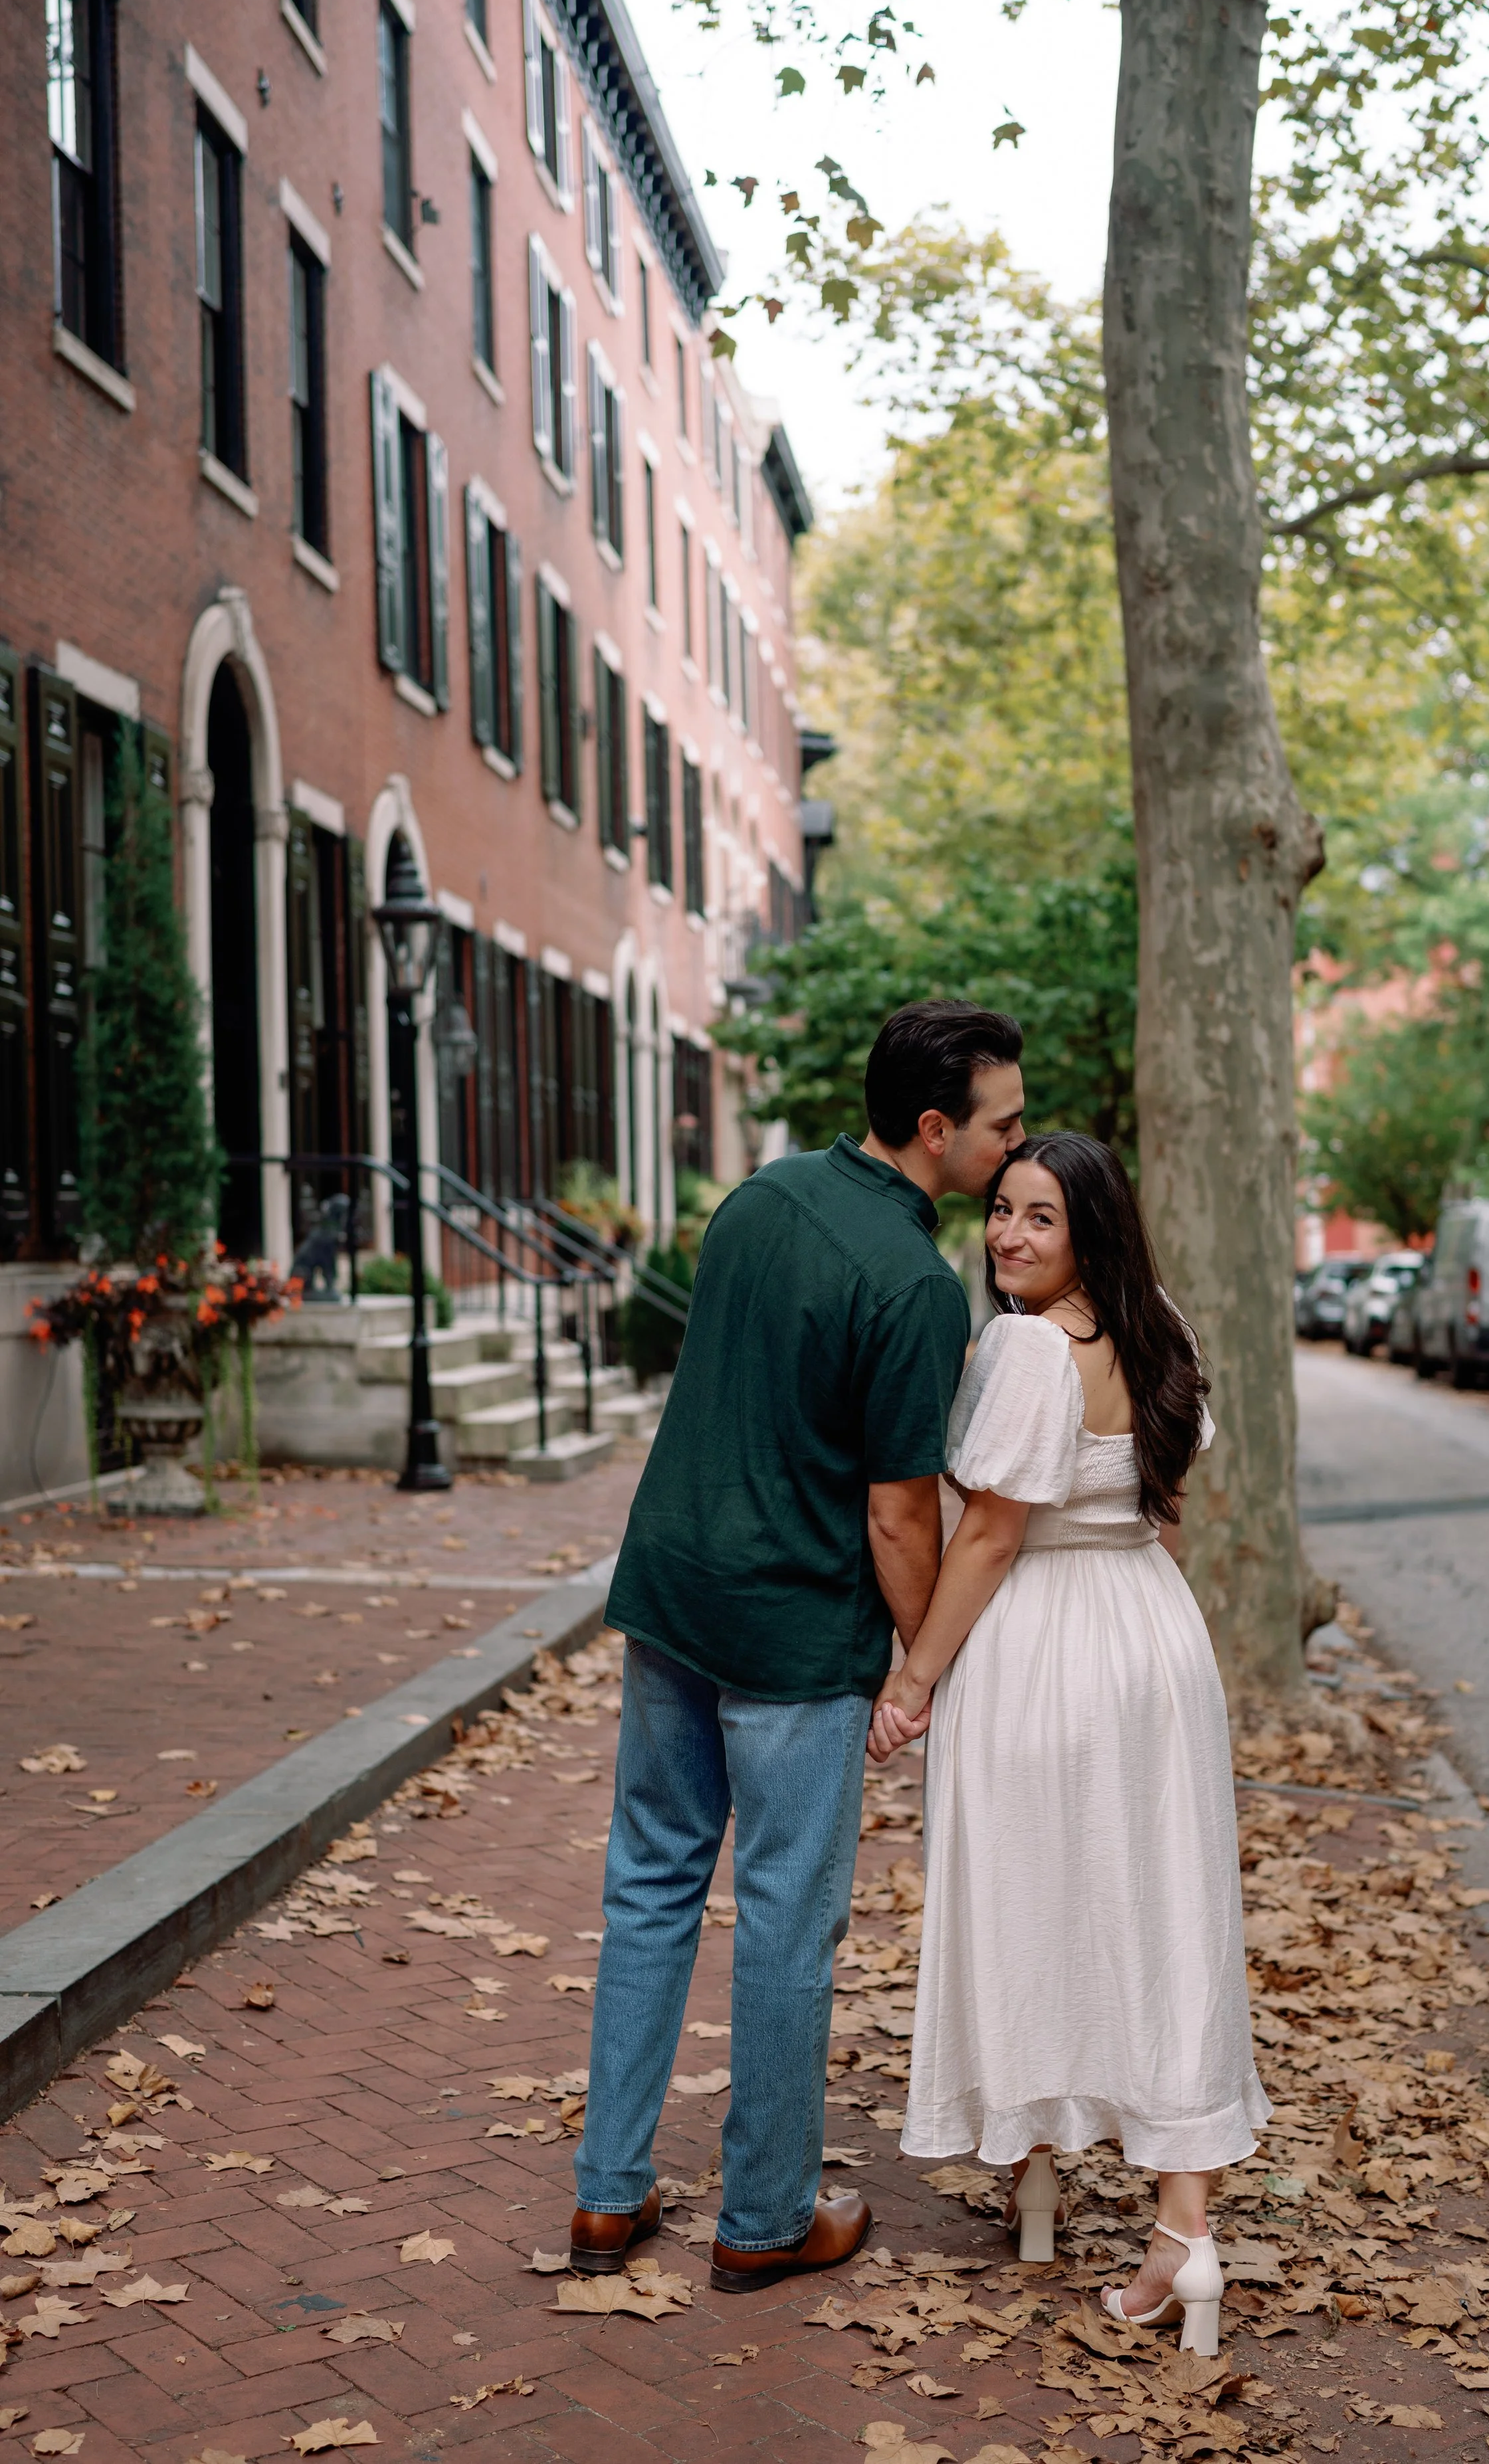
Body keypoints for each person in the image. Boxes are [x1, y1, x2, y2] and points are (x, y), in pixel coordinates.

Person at [567, 1000, 1027, 2293]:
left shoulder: (755, 1200)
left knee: (649, 1890)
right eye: (1001, 1123)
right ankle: (764, 2215)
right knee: (783, 1916)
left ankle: (606, 2196)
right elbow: (896, 1512)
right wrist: (923, 1652)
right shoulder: (911, 1285)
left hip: (669, 1595)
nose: (1014, 1143)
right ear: (934, 1130)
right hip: (789, 1634)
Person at [870, 1132, 1270, 2356]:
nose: (1007, 1237)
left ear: (1090, 1227)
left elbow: (989, 1539)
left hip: (1043, 1645)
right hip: (1151, 1632)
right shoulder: (1162, 1328)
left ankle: (1053, 2175)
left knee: (1035, 1900)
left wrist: (913, 1676)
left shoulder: (1027, 1348)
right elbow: (1167, 1510)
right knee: (1158, 1911)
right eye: (1000, 1213)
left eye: (1040, 1219)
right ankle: (1169, 2226)